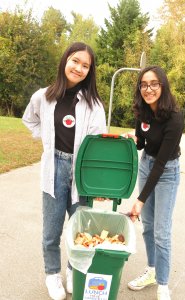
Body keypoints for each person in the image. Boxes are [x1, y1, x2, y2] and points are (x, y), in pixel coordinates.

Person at [22, 42, 107, 300]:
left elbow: (99, 146)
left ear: (89, 71)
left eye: (85, 65)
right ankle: (52, 274)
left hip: (81, 171)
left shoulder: (94, 105)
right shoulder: (43, 96)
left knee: (80, 228)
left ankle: (73, 270)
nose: (79, 68)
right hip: (54, 169)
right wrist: (47, 142)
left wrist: (98, 184)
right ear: (65, 61)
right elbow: (29, 119)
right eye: (75, 61)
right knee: (51, 231)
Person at [126, 65, 184, 300]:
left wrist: (139, 200)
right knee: (148, 226)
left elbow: (160, 163)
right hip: (145, 165)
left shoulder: (175, 117)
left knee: (161, 231)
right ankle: (151, 271)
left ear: (163, 85)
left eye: (153, 84)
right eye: (143, 84)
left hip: (166, 171)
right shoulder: (142, 111)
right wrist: (136, 138)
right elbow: (144, 145)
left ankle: (162, 284)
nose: (148, 89)